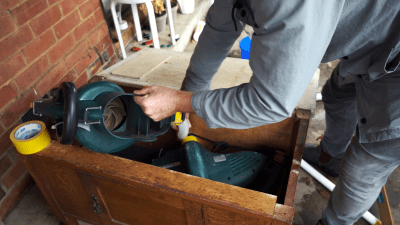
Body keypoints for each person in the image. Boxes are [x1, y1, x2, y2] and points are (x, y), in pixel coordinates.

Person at [134, 0, 400, 224]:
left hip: (393, 56)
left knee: (370, 158)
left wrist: (182, 102)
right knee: (337, 93)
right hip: (368, 40)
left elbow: (270, 102)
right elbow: (222, 20)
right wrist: (192, 88)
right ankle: (330, 157)